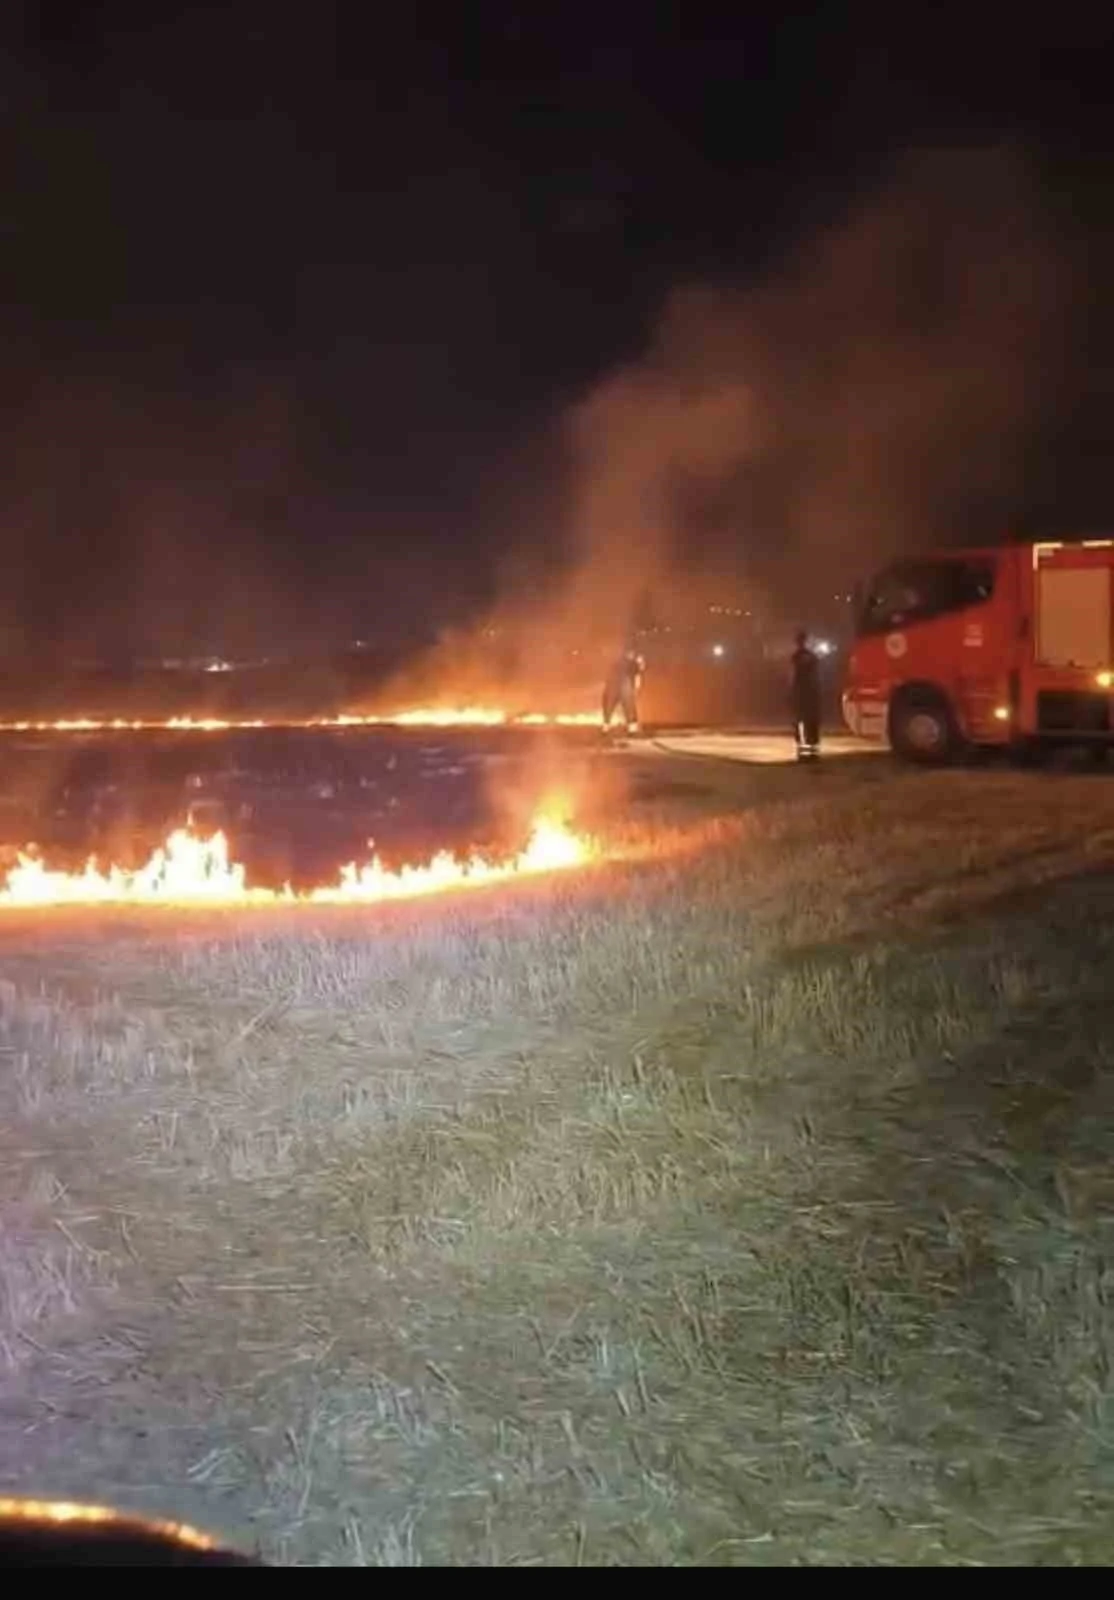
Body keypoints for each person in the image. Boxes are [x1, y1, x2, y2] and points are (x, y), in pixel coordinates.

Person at [790, 629, 821, 761]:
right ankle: (813, 751)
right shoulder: (812, 657)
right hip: (810, 692)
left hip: (800, 693)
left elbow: (792, 676)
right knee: (811, 722)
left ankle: (802, 751)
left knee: (799, 721)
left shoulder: (795, 657)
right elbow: (816, 674)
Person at [602, 645, 646, 735]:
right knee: (628, 705)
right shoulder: (632, 662)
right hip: (623, 685)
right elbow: (638, 674)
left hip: (613, 685)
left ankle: (606, 727)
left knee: (609, 705)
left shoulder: (616, 661)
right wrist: (640, 663)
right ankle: (632, 728)